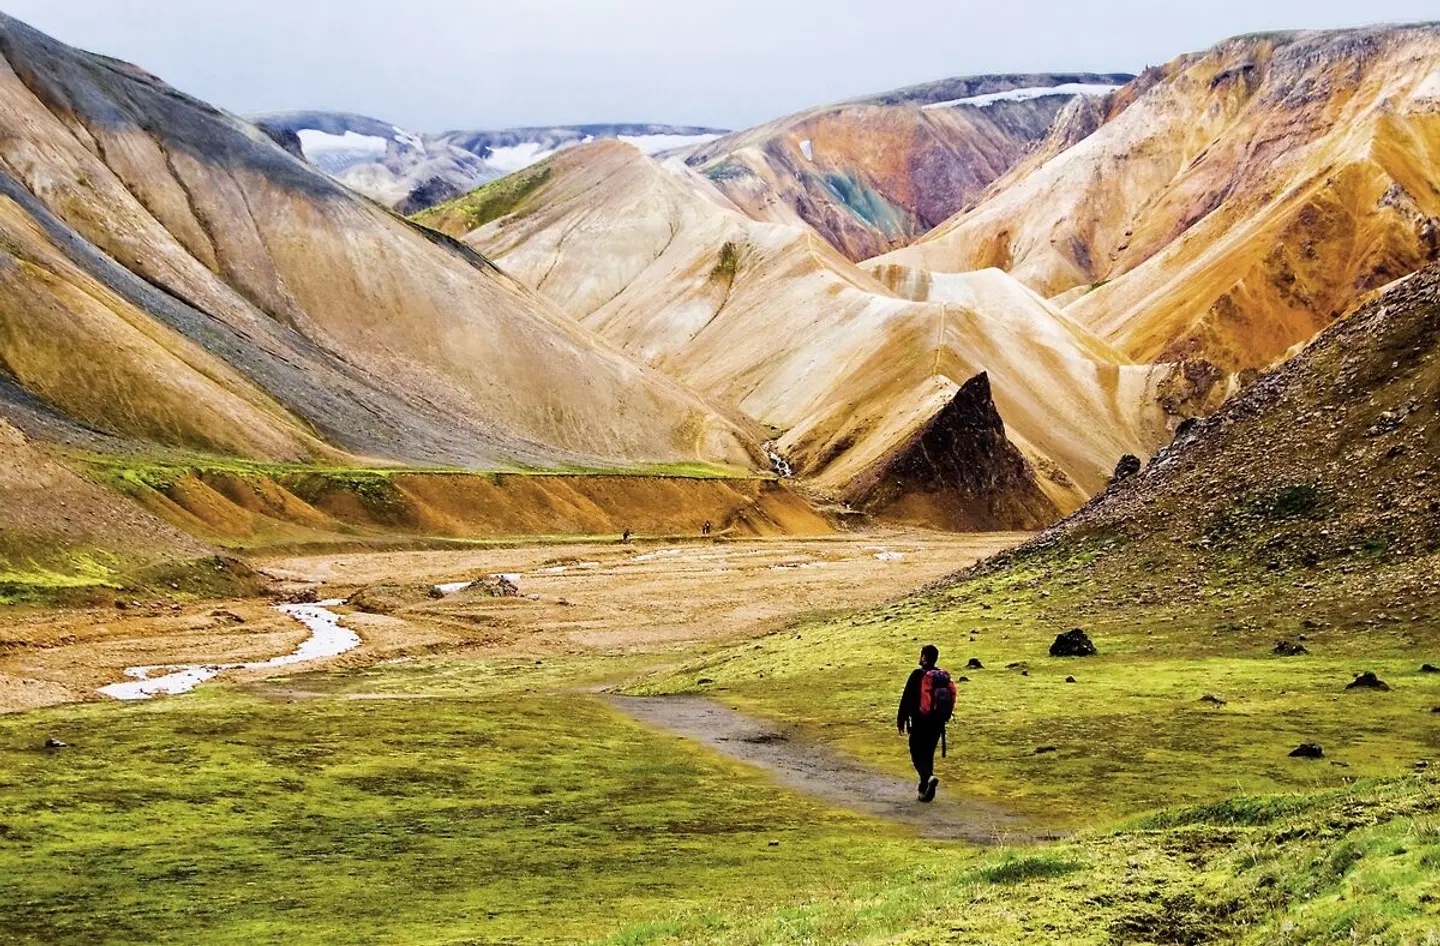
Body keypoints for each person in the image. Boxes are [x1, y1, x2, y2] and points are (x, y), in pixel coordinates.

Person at [896, 644, 956, 802]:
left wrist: (901, 720)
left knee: (916, 753)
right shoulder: (941, 677)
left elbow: (906, 698)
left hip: (920, 722)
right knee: (928, 755)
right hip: (938, 724)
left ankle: (928, 778)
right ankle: (924, 791)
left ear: (924, 657)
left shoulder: (917, 675)